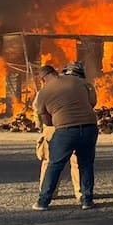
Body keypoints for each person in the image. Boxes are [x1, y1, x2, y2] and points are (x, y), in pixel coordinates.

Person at [34, 60, 99, 211]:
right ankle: (87, 200)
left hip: (65, 130)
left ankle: (43, 201)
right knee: (86, 164)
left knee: (55, 165)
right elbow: (92, 102)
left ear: (42, 79)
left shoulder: (43, 92)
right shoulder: (79, 81)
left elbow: (47, 121)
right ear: (55, 72)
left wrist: (60, 118)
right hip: (89, 127)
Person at [33, 65, 81, 204]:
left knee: (50, 161)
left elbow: (37, 110)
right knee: (77, 160)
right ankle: (81, 193)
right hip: (73, 124)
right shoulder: (74, 86)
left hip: (52, 127)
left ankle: (48, 192)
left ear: (43, 79)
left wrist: (41, 125)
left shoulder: (44, 91)